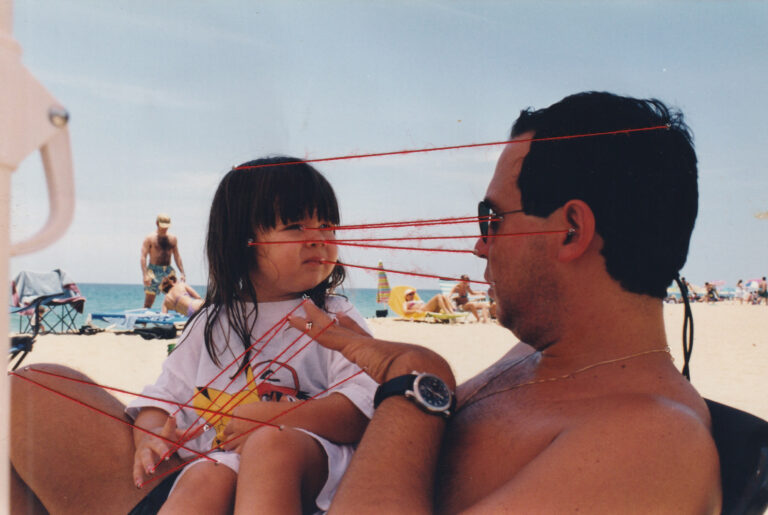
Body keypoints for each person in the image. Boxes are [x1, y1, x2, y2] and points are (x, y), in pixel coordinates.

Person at [290, 92, 721, 512]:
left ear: (570, 230)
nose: (479, 246)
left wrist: (414, 380)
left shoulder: (654, 443)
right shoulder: (534, 356)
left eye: (491, 219)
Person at [10, 157, 377, 514]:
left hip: (303, 473)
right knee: (205, 477)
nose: (319, 239)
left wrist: (276, 417)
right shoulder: (212, 321)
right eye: (296, 226)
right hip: (214, 469)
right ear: (242, 241)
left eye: (328, 226)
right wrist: (150, 438)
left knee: (254, 457)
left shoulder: (332, 317)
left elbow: (361, 405)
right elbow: (164, 397)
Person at [141, 213, 186, 309]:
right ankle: (143, 323)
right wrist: (145, 275)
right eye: (163, 226)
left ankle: (171, 321)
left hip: (168, 271)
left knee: (175, 297)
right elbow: (143, 256)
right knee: (149, 300)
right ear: (157, 223)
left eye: (167, 226)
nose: (165, 228)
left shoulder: (173, 238)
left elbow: (177, 256)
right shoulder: (150, 238)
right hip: (153, 271)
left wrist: (182, 272)